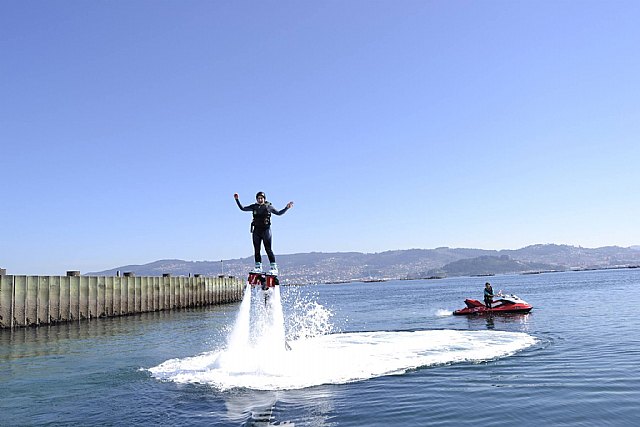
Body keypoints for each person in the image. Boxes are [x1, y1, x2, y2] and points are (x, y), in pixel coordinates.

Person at [234, 191, 293, 275]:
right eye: (258, 198)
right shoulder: (254, 207)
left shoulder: (269, 206)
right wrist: (237, 200)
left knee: (268, 249)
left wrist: (287, 207)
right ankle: (258, 267)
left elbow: (279, 213)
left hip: (266, 231)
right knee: (257, 250)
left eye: (261, 198)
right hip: (256, 231)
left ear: (264, 199)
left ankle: (273, 267)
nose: (260, 200)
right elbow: (242, 208)